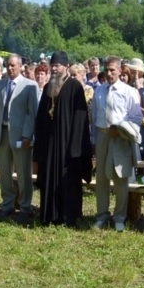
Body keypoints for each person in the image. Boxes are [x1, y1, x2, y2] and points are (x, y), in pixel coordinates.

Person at [33, 51, 92, 227]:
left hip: (67, 145)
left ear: (66, 66)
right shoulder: (48, 87)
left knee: (68, 180)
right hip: (50, 143)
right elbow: (41, 117)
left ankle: (67, 215)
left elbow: (81, 119)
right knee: (49, 177)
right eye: (53, 66)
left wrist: (75, 147)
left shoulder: (74, 86)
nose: (55, 69)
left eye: (57, 66)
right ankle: (49, 214)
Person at [90, 56, 143, 231]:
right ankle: (102, 215)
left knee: (120, 177)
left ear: (120, 71)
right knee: (102, 179)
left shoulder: (128, 92)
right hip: (102, 136)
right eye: (107, 70)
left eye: (113, 70)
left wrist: (120, 130)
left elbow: (137, 117)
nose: (110, 73)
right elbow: (94, 117)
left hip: (120, 137)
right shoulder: (99, 91)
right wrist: (93, 139)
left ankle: (119, 216)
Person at [0, 54, 38, 222]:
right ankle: (7, 205)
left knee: (24, 173)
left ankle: (25, 207)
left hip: (20, 136)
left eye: (13, 66)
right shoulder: (0, 85)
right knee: (4, 173)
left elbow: (32, 114)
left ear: (20, 66)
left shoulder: (30, 86)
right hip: (2, 134)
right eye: (8, 65)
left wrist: (27, 135)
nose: (10, 68)